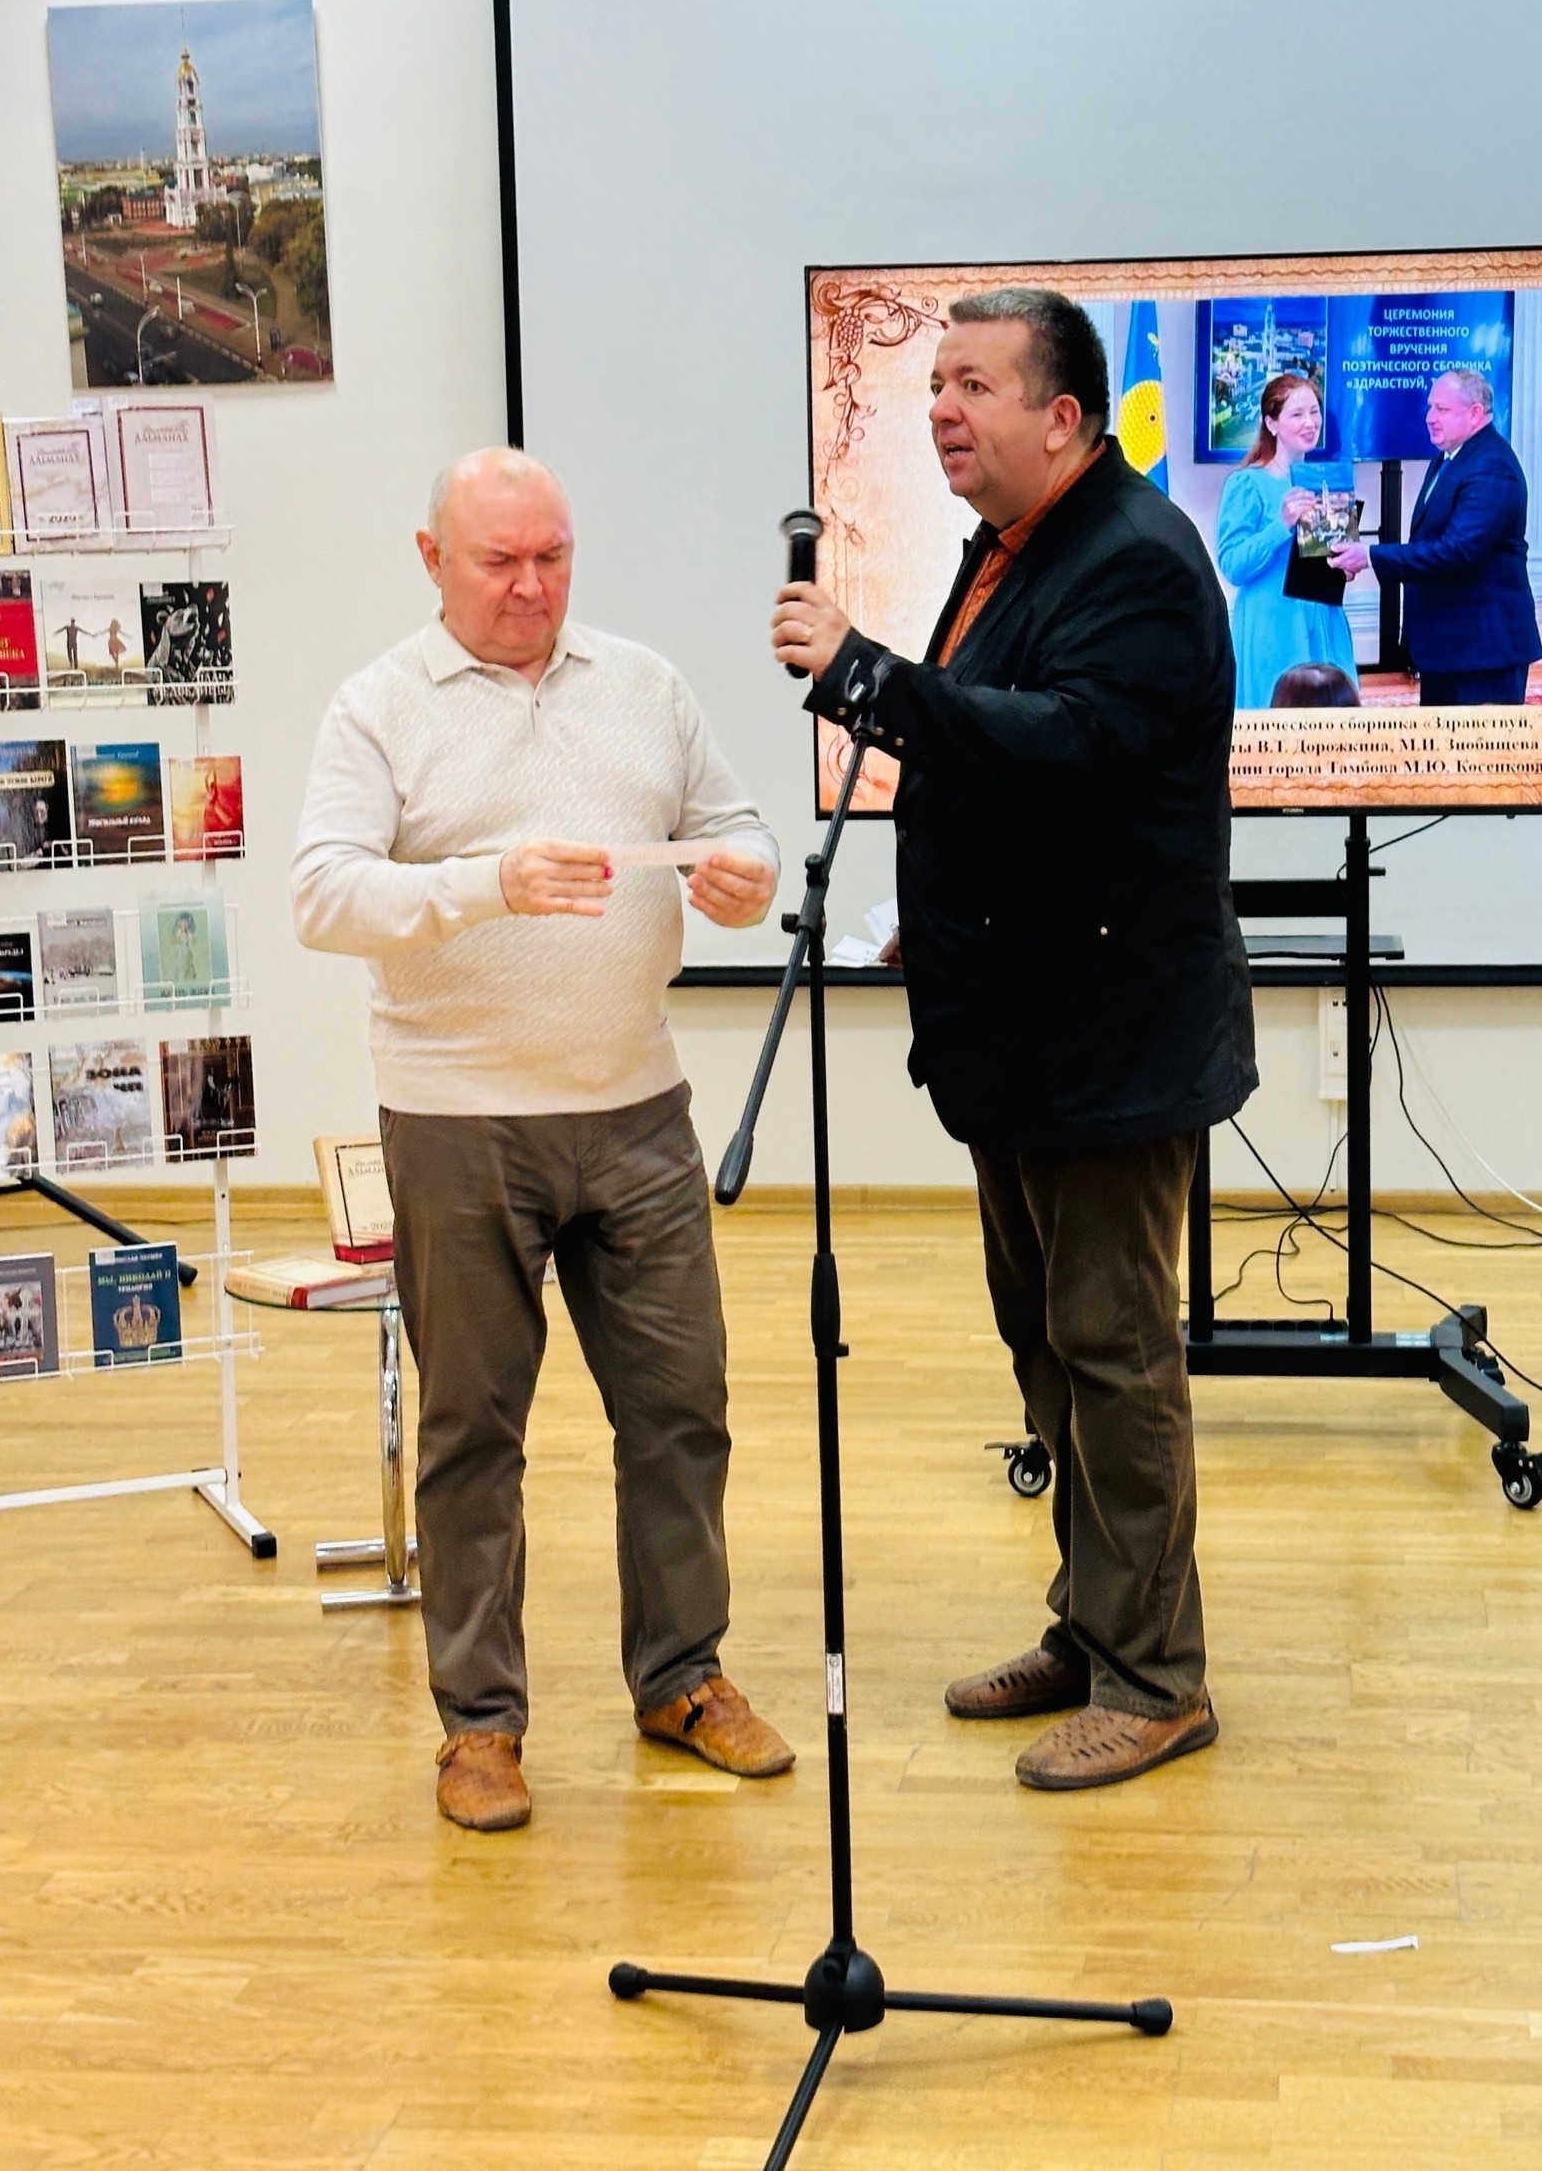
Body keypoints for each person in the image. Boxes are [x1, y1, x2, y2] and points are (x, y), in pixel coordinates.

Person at [773, 288, 1256, 1793]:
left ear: (1064, 415)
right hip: (1021, 1025)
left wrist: (863, 675)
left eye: (973, 385)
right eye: (935, 384)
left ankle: (1158, 1681)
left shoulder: (1140, 558)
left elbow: (1069, 748)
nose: (940, 410)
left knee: (1115, 1355)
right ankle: (1094, 1628)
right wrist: (945, 916)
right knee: (1047, 1342)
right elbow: (997, 753)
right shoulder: (1011, 544)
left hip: (1110, 1042)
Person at [292, 446, 795, 1834]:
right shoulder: (379, 707)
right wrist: (483, 884)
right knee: (473, 1431)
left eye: (553, 558)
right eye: (500, 561)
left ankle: (682, 1678)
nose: (530, 586)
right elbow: (324, 894)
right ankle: (481, 1726)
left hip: (637, 1110)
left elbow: (734, 828)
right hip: (457, 1120)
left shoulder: (645, 686)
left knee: (681, 1410)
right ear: (432, 559)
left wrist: (745, 877)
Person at [1331, 368, 1542, 706]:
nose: (1430, 418)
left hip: (1483, 653)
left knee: (1478, 743)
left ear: (1475, 413)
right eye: (1430, 407)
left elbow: (1457, 552)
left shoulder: (1492, 466)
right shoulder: (1449, 457)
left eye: (1442, 409)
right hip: (1449, 648)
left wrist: (1370, 555)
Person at [1213, 373, 1359, 708]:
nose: (1310, 422)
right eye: (1297, 414)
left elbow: (1324, 558)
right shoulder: (1247, 483)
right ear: (1271, 423)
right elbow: (1233, 565)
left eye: (1314, 412)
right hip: (1274, 628)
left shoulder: (1327, 481)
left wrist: (1344, 564)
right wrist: (1281, 525)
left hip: (1325, 620)